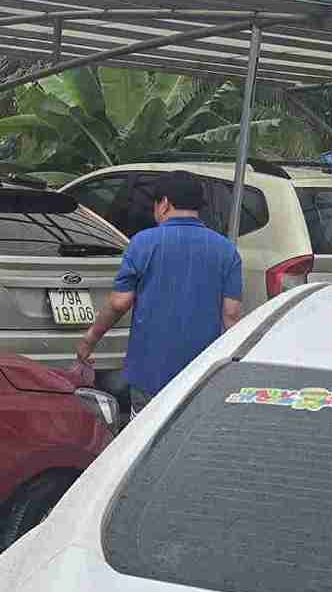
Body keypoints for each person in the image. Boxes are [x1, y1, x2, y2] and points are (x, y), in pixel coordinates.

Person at [76, 170, 242, 413]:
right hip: (202, 374)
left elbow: (120, 303)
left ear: (164, 203)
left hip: (149, 374)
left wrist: (89, 341)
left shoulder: (143, 243)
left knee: (145, 442)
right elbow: (231, 316)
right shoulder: (226, 250)